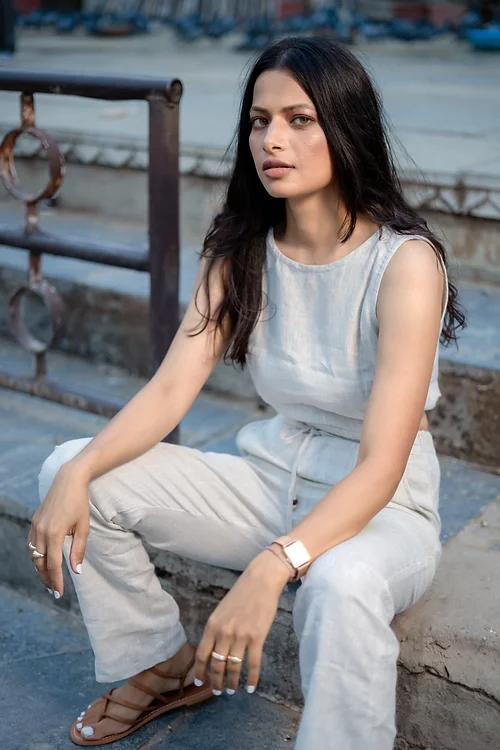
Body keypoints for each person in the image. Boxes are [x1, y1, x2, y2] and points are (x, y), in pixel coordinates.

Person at [29, 36, 465, 749]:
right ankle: (161, 666)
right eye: (260, 121)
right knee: (69, 470)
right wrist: (79, 472)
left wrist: (274, 565)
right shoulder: (239, 248)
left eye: (299, 119)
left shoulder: (404, 262)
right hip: (271, 478)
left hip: (382, 506)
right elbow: (171, 391)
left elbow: (383, 465)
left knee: (341, 582)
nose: (272, 140)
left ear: (346, 127)